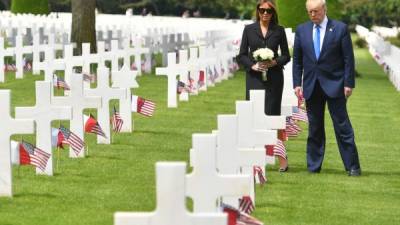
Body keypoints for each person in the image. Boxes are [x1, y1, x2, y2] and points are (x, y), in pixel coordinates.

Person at [292, 0, 361, 176]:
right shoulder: (302, 30)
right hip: (311, 86)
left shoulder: (340, 28)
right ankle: (313, 167)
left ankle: (352, 166)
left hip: (336, 85)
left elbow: (348, 59)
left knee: (342, 127)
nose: (313, 15)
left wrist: (348, 83)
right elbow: (298, 60)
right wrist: (297, 84)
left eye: (315, 11)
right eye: (310, 12)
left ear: (324, 9)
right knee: (314, 128)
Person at [237, 0, 290, 172]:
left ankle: (281, 157)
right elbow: (241, 55)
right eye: (262, 10)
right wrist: (252, 65)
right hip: (254, 79)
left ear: (273, 13)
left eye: (268, 11)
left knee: (273, 116)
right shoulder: (249, 29)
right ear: (258, 11)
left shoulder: (279, 30)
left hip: (274, 79)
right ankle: (254, 156)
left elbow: (286, 56)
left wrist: (274, 62)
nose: (265, 13)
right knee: (253, 115)